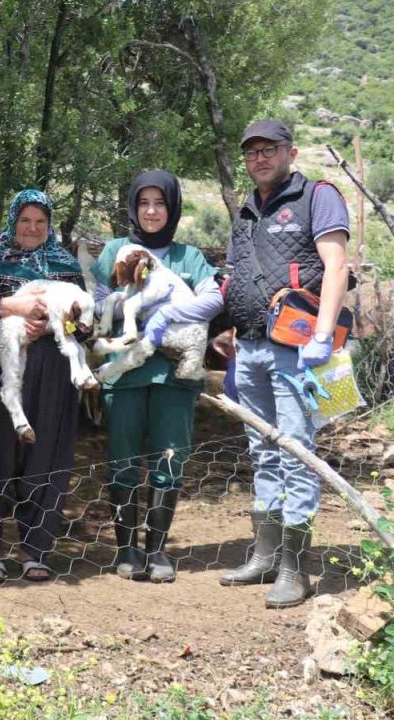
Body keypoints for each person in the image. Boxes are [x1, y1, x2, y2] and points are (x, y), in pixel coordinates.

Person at [220, 119, 350, 609]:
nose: (259, 158)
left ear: (290, 152)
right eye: (251, 151)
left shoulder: (317, 196)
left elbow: (335, 265)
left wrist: (322, 335)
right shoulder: (246, 211)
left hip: (298, 347)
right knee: (262, 451)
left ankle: (295, 569)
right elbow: (236, 276)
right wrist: (233, 330)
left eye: (268, 149)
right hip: (250, 348)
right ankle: (266, 554)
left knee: (296, 449)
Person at [91, 170, 223, 583]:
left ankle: (158, 551)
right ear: (133, 207)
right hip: (125, 374)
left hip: (175, 377)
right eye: (144, 202)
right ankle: (127, 548)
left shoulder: (189, 258)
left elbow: (213, 300)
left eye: (160, 203)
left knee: (170, 458)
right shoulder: (115, 249)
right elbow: (98, 301)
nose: (152, 211)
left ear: (173, 208)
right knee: (123, 459)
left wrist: (163, 318)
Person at [0, 189, 86, 583]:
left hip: (51, 373)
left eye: (40, 222)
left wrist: (53, 324)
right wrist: (9, 311)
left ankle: (36, 550)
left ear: (50, 225)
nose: (32, 229)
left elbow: (82, 323)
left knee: (46, 455)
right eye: (24, 221)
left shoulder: (65, 265)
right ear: (12, 222)